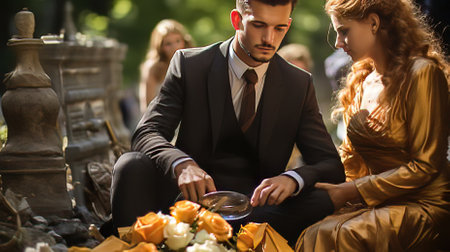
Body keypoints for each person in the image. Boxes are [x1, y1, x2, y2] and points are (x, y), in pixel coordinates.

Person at [112, 0, 345, 244]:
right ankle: (137, 246)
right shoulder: (190, 65)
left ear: (288, 25)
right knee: (131, 164)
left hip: (256, 211)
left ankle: (225, 238)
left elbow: (329, 164)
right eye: (258, 25)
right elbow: (146, 132)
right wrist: (181, 163)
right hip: (184, 205)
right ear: (236, 20)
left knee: (321, 198)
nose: (269, 38)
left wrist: (292, 179)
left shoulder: (298, 84)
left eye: (279, 28)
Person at [295, 0, 449, 250]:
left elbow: (425, 166)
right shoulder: (361, 78)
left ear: (374, 23)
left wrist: (352, 191)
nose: (337, 43)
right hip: (374, 199)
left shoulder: (422, 73)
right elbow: (349, 156)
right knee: (303, 222)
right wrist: (305, 182)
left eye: (343, 31)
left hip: (423, 202)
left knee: (332, 235)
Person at [138, 19, 194, 113]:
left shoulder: (193, 62)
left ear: (184, 41)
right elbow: (147, 106)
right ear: (160, 47)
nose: (175, 47)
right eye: (168, 44)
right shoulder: (152, 68)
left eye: (178, 41)